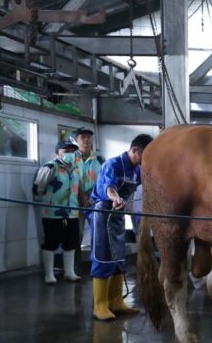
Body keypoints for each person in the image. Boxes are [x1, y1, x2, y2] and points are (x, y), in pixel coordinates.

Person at [90, 134, 154, 321]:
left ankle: (116, 301)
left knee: (118, 258)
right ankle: (100, 306)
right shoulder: (112, 164)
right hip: (103, 214)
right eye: (145, 155)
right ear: (135, 150)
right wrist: (115, 197)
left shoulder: (137, 169)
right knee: (103, 257)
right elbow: (109, 187)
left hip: (117, 216)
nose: (146, 160)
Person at [34, 140, 84, 284]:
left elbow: (77, 188)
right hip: (53, 213)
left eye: (72, 151)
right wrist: (46, 202)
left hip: (72, 213)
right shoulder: (50, 167)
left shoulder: (75, 168)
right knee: (51, 242)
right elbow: (38, 188)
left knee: (71, 242)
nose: (69, 154)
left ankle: (70, 272)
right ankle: (49, 275)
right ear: (57, 152)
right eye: (65, 151)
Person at [73, 127, 104, 258]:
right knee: (76, 234)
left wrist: (90, 195)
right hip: (75, 202)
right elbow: (70, 178)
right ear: (76, 140)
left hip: (94, 201)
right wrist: (82, 196)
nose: (86, 140)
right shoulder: (71, 158)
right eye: (82, 137)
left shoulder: (100, 158)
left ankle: (98, 261)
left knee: (98, 232)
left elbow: (104, 178)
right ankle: (75, 264)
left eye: (89, 137)